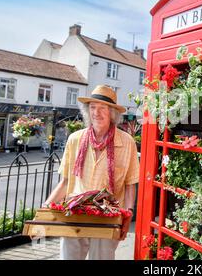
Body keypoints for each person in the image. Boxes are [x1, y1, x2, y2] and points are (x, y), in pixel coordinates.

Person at [43, 85, 139, 260]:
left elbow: (130, 184)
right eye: (93, 107)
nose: (96, 113)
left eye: (102, 108)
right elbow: (65, 181)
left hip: (108, 215)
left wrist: (128, 214)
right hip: (75, 213)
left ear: (112, 113)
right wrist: (45, 208)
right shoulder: (75, 139)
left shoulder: (127, 142)